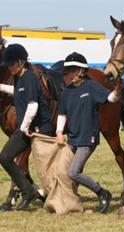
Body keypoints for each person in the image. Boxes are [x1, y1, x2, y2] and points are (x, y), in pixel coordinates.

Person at [56, 52, 122, 213]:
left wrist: (117, 92)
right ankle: (69, 200)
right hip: (72, 139)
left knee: (73, 172)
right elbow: (62, 114)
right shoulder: (66, 91)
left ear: (82, 71)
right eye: (67, 71)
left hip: (87, 139)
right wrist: (59, 132)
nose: (69, 74)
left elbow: (110, 99)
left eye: (73, 70)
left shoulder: (92, 87)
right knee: (61, 171)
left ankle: (102, 192)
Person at [0, 44, 53, 211]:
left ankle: (30, 192)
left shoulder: (29, 78)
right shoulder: (19, 78)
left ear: (21, 62)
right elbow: (17, 91)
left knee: (7, 158)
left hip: (35, 129)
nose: (9, 68)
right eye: (7, 65)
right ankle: (28, 191)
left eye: (12, 64)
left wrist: (23, 128)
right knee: (5, 157)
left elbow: (33, 105)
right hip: (25, 129)